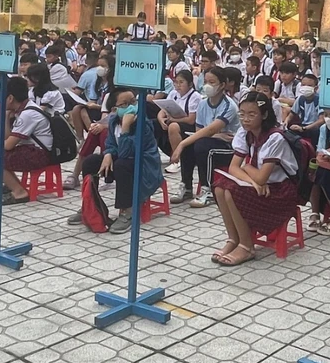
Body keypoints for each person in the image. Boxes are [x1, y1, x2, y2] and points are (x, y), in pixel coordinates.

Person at [210, 91, 301, 266]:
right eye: (242, 114)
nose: (246, 119)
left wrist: (248, 170)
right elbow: (233, 167)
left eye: (252, 115)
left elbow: (259, 176)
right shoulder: (245, 134)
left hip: (281, 190)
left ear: (264, 115)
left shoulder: (275, 138)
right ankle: (234, 239)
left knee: (231, 192)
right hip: (263, 185)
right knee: (220, 187)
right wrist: (252, 181)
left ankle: (247, 247)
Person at [72, 88, 163, 233]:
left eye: (133, 101)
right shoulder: (114, 120)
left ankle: (128, 211)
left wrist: (126, 128)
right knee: (91, 162)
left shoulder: (142, 123)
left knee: (121, 164)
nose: (132, 106)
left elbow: (127, 152)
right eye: (125, 104)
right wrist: (108, 154)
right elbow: (111, 143)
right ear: (115, 109)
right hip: (124, 162)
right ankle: (91, 205)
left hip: (145, 167)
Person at [168, 67, 240, 208]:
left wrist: (181, 144)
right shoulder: (202, 104)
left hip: (229, 148)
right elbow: (200, 131)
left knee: (202, 146)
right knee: (195, 143)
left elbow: (211, 129)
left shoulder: (229, 106)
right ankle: (186, 186)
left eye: (212, 82)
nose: (207, 85)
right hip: (214, 141)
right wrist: (214, 135)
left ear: (222, 85)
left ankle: (208, 190)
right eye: (206, 81)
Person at [0, 77, 54, 205]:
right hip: (31, 149)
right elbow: (6, 139)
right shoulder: (21, 109)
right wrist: (4, 117)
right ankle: (13, 185)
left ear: (10, 98)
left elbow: (8, 145)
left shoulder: (28, 114)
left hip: (38, 154)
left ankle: (19, 192)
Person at [286, 73, 323, 145]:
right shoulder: (300, 99)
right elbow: (291, 115)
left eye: (309, 86)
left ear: (316, 88)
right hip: (302, 126)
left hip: (314, 128)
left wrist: (305, 128)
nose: (305, 87)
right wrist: (286, 122)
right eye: (303, 85)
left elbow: (321, 120)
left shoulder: (319, 100)